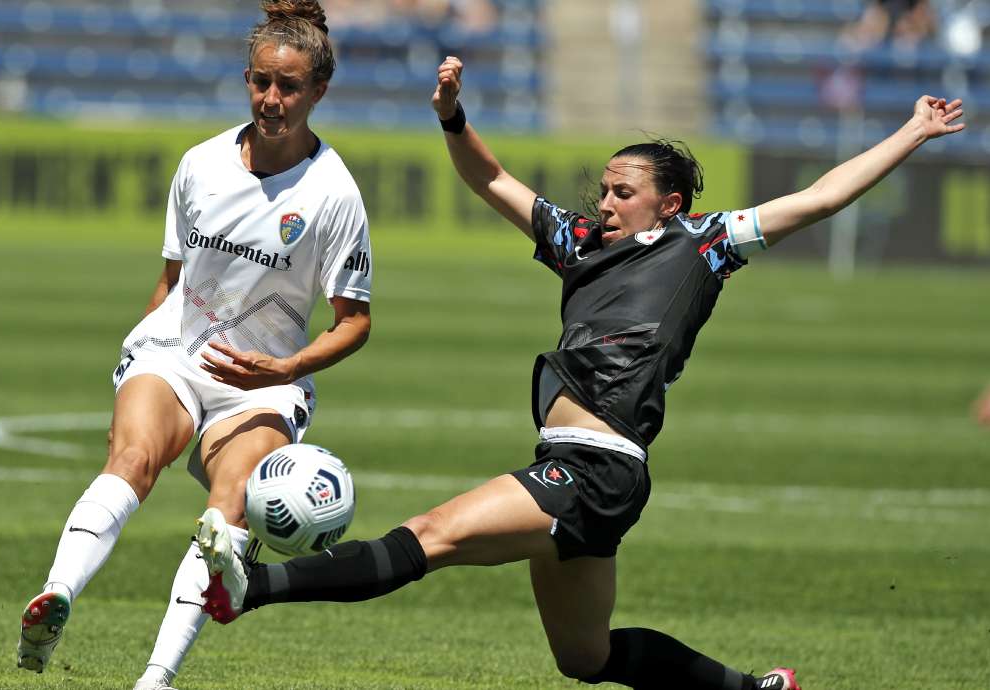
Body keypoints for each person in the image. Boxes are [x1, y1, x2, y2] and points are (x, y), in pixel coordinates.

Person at [195, 55, 966, 689]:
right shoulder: (582, 243)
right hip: (569, 465)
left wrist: (913, 131)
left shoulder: (703, 244)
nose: (603, 201)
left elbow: (821, 197)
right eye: (602, 188)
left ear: (667, 205)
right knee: (585, 659)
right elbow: (491, 180)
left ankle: (251, 590)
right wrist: (452, 116)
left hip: (600, 468)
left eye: (621, 192)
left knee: (430, 536)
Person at [14, 3, 373, 689]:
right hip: (176, 353)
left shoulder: (334, 194)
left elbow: (354, 320)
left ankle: (157, 676)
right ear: (246, 79)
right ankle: (56, 594)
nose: (271, 99)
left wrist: (289, 366)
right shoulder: (201, 164)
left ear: (318, 92)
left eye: (289, 86)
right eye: (261, 82)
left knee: (230, 507)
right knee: (132, 458)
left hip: (263, 379)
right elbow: (171, 281)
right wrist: (132, 377)